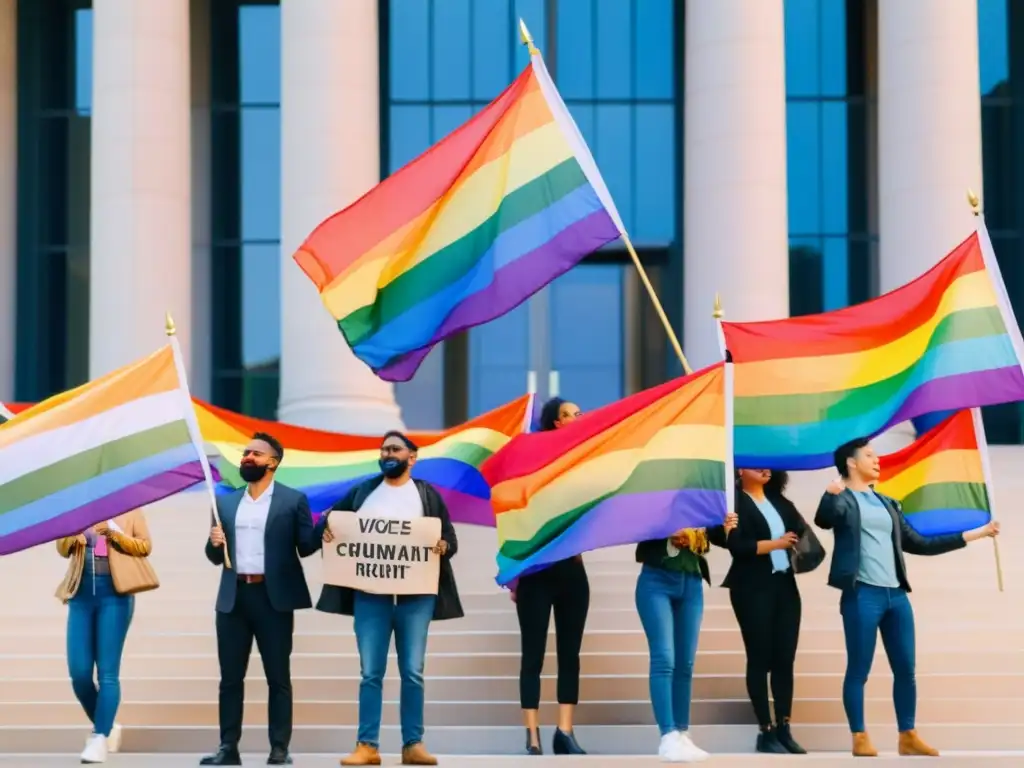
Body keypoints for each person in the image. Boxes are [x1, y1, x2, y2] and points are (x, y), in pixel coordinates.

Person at [815, 436, 1000, 758]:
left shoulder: (888, 503)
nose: (877, 460)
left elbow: (920, 543)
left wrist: (977, 534)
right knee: (859, 668)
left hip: (896, 597)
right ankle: (860, 736)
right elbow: (824, 519)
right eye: (869, 455)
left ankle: (908, 735)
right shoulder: (843, 499)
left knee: (906, 669)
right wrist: (829, 495)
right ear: (851, 462)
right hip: (862, 594)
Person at [317, 430, 462, 767]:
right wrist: (326, 528)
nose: (387, 454)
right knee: (371, 673)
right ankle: (367, 745)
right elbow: (334, 523)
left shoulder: (427, 495)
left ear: (413, 457)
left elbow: (449, 538)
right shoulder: (364, 492)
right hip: (370, 597)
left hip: (416, 597)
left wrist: (444, 547)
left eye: (395, 449)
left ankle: (413, 744)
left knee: (412, 672)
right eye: (383, 450)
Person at [200, 432, 323, 767]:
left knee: (278, 678)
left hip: (274, 600)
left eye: (255, 454)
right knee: (230, 679)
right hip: (233, 599)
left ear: (273, 462)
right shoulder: (224, 503)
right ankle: (229, 748)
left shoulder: (293, 500)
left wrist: (326, 525)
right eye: (245, 453)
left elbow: (306, 547)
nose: (247, 458)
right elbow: (214, 557)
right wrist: (214, 543)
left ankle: (279, 749)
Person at [515, 397, 589, 756]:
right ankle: (532, 735)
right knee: (533, 655)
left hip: (572, 571)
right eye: (573, 414)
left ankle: (565, 731)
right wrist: (515, 572)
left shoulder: (584, 462)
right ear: (557, 422)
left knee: (569, 653)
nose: (580, 417)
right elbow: (517, 514)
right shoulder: (535, 462)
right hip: (536, 572)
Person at [716, 469, 808, 754]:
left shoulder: (780, 502)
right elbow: (737, 547)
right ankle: (765, 730)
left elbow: (801, 531)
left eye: (768, 464)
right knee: (759, 657)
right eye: (757, 464)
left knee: (784, 658)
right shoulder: (734, 503)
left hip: (784, 585)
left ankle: (784, 727)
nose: (765, 469)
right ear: (741, 470)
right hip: (751, 587)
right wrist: (777, 544)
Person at [56, 508, 157, 765]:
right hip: (81, 595)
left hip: (115, 596)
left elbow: (144, 546)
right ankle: (106, 723)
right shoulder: (78, 510)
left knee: (107, 672)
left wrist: (114, 535)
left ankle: (100, 736)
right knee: (79, 674)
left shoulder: (131, 510)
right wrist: (73, 538)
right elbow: (62, 547)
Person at [636, 510, 738, 762]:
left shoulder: (700, 495)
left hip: (691, 582)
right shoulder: (656, 493)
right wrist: (666, 530)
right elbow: (636, 521)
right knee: (664, 658)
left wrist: (724, 526)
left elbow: (717, 537)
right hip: (656, 580)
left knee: (686, 663)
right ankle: (667, 735)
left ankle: (681, 732)